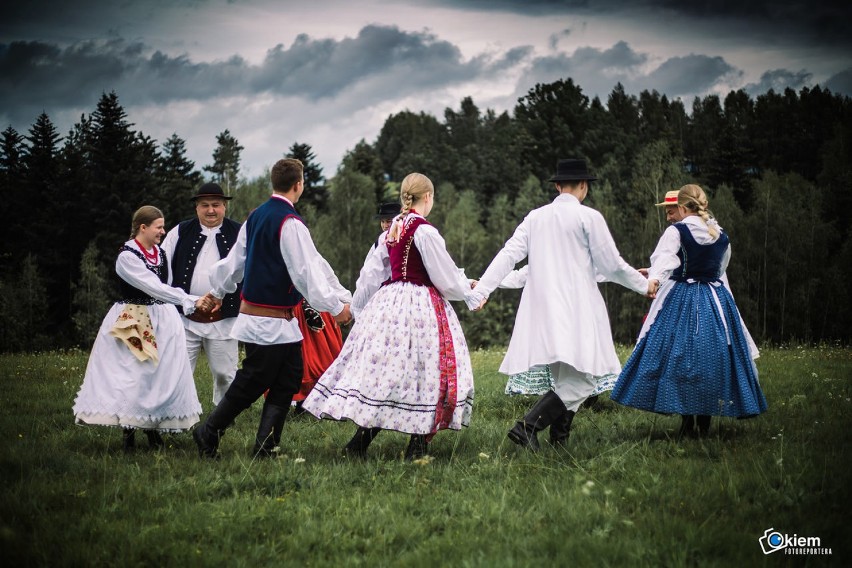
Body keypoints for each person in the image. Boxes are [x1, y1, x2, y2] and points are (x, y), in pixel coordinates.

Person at [467, 159, 656, 450]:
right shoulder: (588, 217)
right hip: (575, 308)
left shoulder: (535, 217)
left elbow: (509, 256)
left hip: (541, 311)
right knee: (584, 382)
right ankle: (527, 426)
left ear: (557, 186)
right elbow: (611, 263)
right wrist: (644, 285)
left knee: (565, 382)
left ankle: (559, 442)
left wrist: (483, 289)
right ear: (584, 186)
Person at [302, 172, 477, 461]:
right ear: (428, 197)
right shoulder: (424, 231)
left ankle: (360, 442)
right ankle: (417, 446)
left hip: (389, 304)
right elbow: (445, 278)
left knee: (388, 373)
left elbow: (370, 276)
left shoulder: (392, 228)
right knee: (426, 373)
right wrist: (469, 293)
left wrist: (358, 309)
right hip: (422, 306)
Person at [193, 158, 352, 459]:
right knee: (254, 379)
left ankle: (266, 446)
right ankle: (208, 430)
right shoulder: (290, 224)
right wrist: (336, 307)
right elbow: (306, 275)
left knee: (288, 378)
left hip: (278, 322)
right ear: (298, 185)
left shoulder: (256, 217)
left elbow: (234, 263)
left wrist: (216, 291)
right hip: (267, 321)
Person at [611, 184, 767, 436]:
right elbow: (719, 268)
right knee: (713, 358)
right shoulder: (719, 233)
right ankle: (704, 423)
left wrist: (654, 279)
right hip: (716, 299)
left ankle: (686, 421)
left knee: (680, 357)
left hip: (683, 297)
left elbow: (665, 260)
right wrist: (654, 273)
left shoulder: (677, 231)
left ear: (682, 207)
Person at [73, 206, 208, 451]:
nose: (163, 231)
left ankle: (152, 428)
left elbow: (164, 286)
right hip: (135, 318)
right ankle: (129, 431)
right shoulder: (127, 257)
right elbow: (152, 286)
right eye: (159, 227)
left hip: (160, 318)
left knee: (156, 375)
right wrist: (188, 299)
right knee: (134, 376)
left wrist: (177, 304)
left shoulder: (159, 253)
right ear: (142, 227)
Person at [161, 182, 242, 406]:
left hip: (225, 317)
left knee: (225, 373)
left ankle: (222, 416)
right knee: (179, 371)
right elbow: (164, 269)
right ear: (196, 207)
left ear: (225, 206)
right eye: (204, 205)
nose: (210, 210)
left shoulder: (239, 233)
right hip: (184, 317)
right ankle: (176, 415)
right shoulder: (179, 232)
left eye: (216, 205)